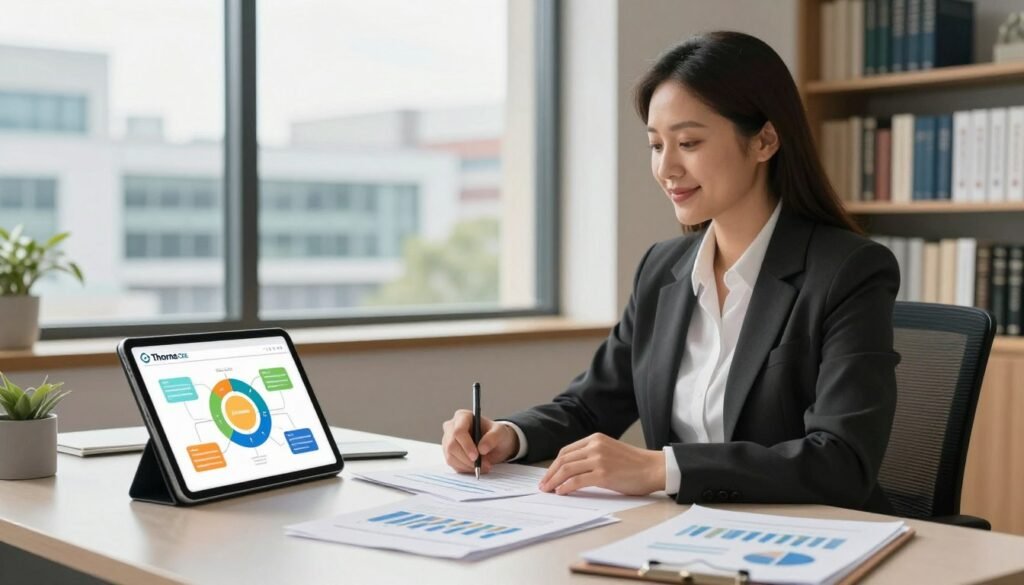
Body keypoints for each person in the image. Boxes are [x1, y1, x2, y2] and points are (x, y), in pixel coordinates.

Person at [441, 31, 899, 513]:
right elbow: (591, 405)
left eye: (688, 142)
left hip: (810, 537)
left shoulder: (848, 271)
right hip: (684, 534)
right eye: (657, 145)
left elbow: (842, 461)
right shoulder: (662, 269)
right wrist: (507, 436)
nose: (667, 168)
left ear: (764, 140)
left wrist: (663, 469)